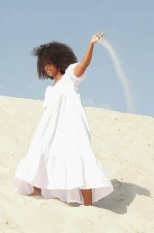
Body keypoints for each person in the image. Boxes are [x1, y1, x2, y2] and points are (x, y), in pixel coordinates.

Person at [15, 33, 113, 206]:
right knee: (41, 152)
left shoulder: (70, 76)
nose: (46, 68)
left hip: (72, 125)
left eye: (49, 63)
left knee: (80, 156)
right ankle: (37, 190)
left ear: (58, 61)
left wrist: (91, 44)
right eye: (43, 65)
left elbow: (84, 64)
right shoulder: (49, 89)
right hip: (50, 129)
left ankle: (88, 204)